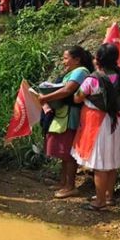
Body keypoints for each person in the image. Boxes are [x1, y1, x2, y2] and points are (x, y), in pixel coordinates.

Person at [71, 43, 120, 210]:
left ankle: (99, 202)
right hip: (118, 122)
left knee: (99, 165)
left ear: (98, 59)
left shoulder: (93, 79)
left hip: (99, 125)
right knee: (112, 162)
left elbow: (77, 98)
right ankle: (108, 196)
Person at [38, 46, 93, 199]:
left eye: (66, 58)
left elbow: (67, 90)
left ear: (77, 59)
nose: (64, 62)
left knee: (68, 153)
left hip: (70, 116)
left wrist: (45, 98)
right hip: (63, 115)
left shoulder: (81, 72)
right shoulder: (73, 72)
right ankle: (63, 182)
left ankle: (70, 186)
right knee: (64, 152)